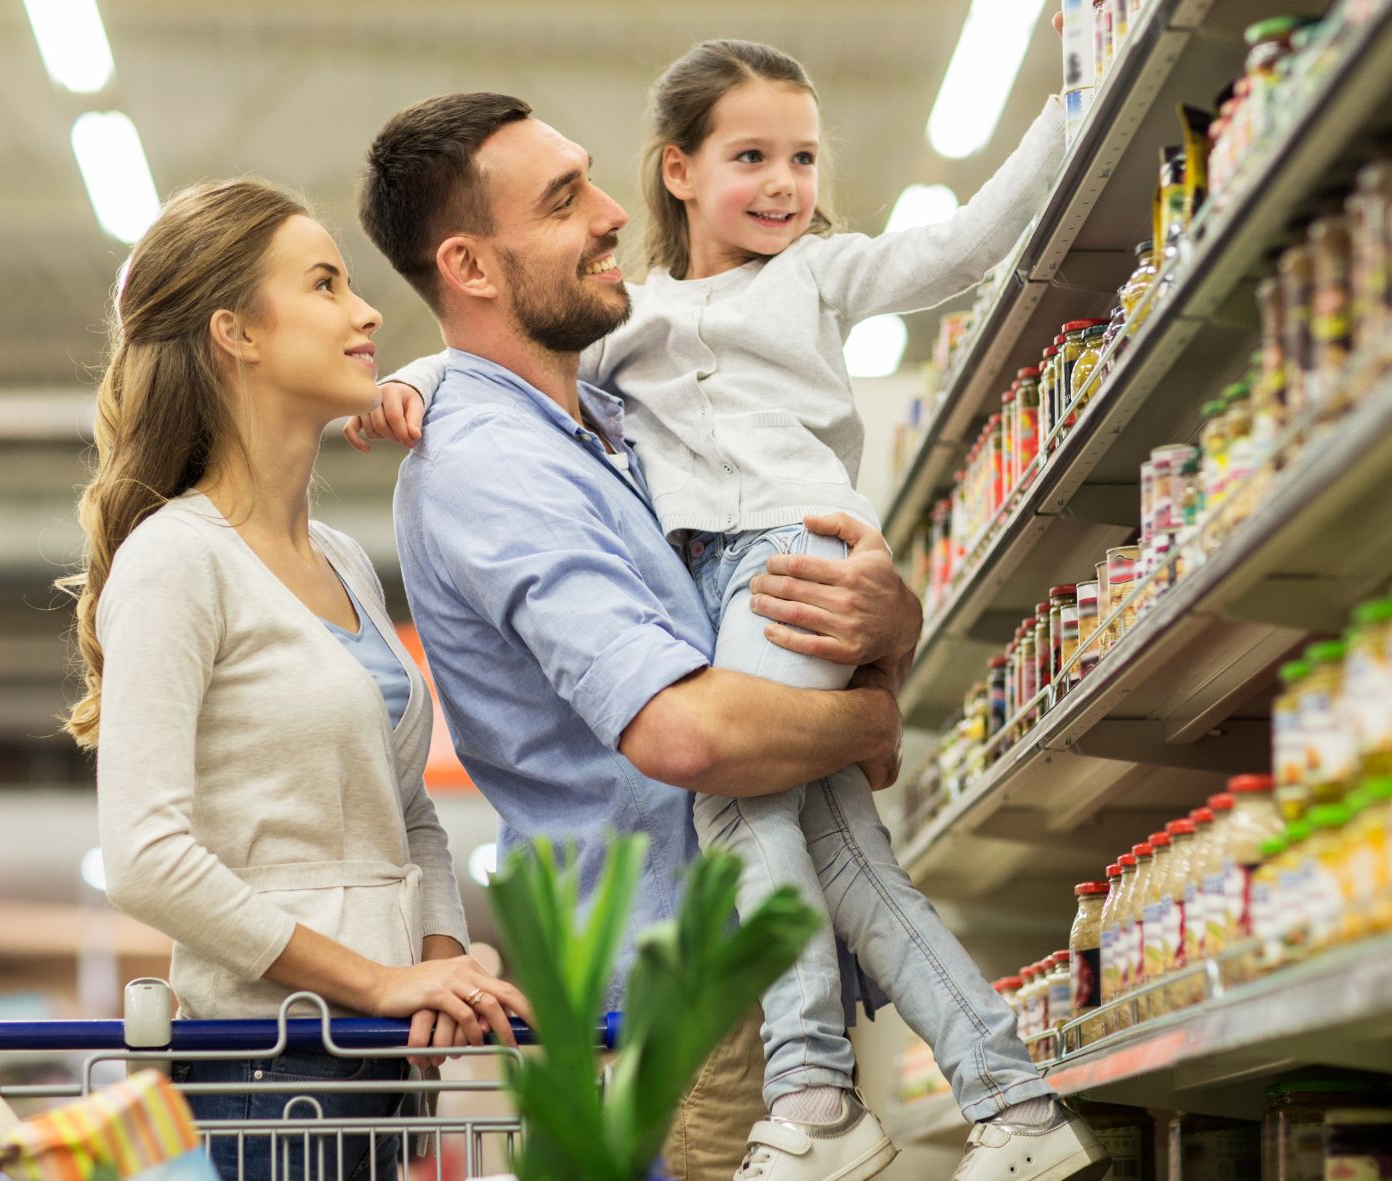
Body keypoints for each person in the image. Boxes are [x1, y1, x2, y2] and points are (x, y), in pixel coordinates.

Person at [354, 36, 1106, 1181]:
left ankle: (850, 1100)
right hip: (687, 971)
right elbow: (691, 736)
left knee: (812, 845)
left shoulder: (620, 400)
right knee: (823, 842)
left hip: (773, 614)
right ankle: (986, 1098)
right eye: (565, 198)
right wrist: (420, 375)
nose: (783, 184)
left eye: (802, 157)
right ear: (683, 170)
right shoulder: (536, 423)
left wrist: (1078, 96)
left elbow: (956, 245)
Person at [60, 178, 531, 1181]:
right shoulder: (176, 559)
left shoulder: (343, 558)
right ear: (236, 333)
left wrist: (438, 967)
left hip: (377, 1063)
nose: (365, 313)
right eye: (324, 284)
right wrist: (377, 978)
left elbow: (410, 817)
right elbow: (144, 854)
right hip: (268, 1066)